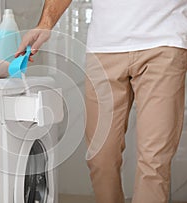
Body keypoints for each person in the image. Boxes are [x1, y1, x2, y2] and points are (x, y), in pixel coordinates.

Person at [15, 0, 187, 203]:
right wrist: (45, 23)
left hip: (165, 41)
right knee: (100, 157)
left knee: (154, 160)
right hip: (105, 47)